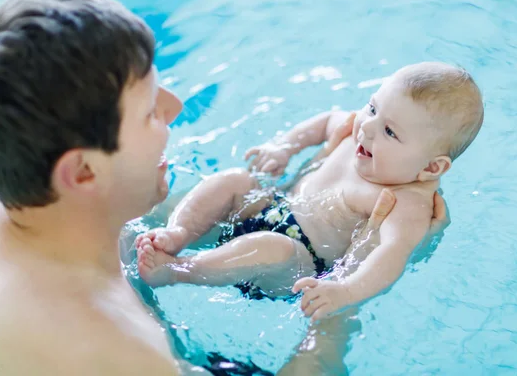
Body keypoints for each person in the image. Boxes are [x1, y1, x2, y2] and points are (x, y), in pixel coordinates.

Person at [0, 0, 449, 376]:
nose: (175, 106)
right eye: (147, 111)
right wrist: (344, 298)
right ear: (82, 172)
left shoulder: (11, 195)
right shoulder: (124, 355)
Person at [135, 61, 482, 320]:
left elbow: (391, 254)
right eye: (372, 107)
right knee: (232, 180)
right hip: (271, 205)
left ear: (431, 167)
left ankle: (179, 269)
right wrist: (283, 147)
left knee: (271, 247)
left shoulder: (406, 201)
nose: (368, 128)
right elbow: (324, 122)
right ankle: (177, 233)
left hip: (298, 263)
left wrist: (346, 291)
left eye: (391, 132)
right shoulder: (357, 130)